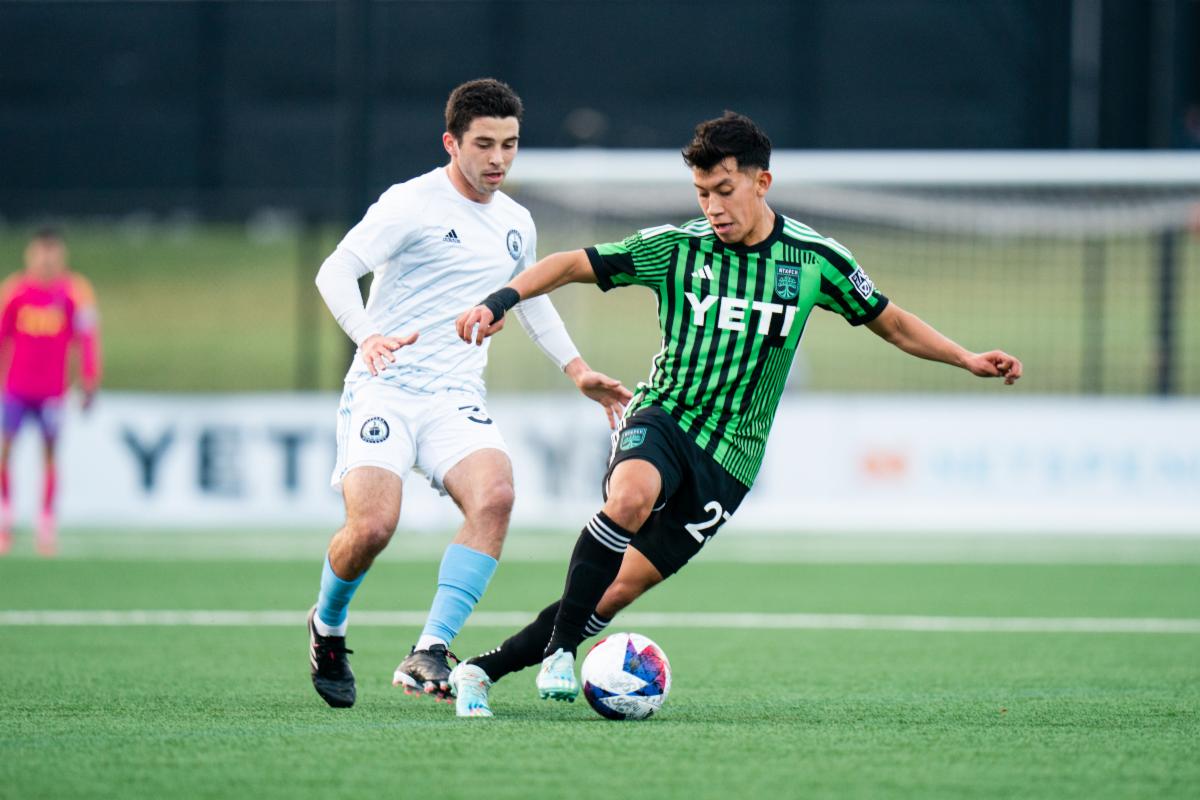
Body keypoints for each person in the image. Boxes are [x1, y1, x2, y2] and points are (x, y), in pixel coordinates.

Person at [450, 111, 1022, 717]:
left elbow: (893, 322)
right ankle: (562, 652)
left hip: (730, 461)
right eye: (702, 194)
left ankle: (481, 670)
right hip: (665, 415)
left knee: (614, 592)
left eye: (724, 191)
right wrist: (500, 298)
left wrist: (966, 358)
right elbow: (569, 264)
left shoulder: (814, 261)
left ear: (761, 184)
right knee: (630, 499)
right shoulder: (677, 249)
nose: (713, 208)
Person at [307, 78, 631, 709]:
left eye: (510, 144)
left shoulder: (515, 221)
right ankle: (327, 626)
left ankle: (432, 646)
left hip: (455, 393)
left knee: (498, 496)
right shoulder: (410, 203)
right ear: (451, 142)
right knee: (372, 528)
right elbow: (335, 270)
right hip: (386, 387)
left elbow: (529, 299)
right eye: (484, 144)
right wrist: (368, 335)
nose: (499, 159)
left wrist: (577, 371)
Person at [0, 229, 101, 556]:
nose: (46, 259)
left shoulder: (76, 292)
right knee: (5, 451)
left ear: (61, 256)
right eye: (41, 253)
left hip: (52, 392)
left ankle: (46, 523)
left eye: (52, 253)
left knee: (50, 455)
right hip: (15, 388)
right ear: (30, 255)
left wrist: (89, 379)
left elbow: (86, 339)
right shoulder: (14, 291)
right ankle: (5, 519)